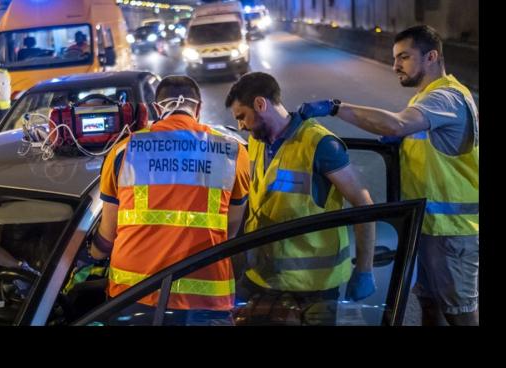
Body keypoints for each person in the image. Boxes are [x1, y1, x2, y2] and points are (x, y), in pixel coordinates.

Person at [299, 25, 479, 326]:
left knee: (460, 315)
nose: (395, 65)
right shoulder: (427, 98)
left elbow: (395, 124)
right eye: (395, 58)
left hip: (451, 234)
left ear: (431, 56)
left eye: (404, 57)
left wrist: (335, 108)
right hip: (430, 229)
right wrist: (405, 144)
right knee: (430, 305)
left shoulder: (445, 98)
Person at [88, 75, 250, 326]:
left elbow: (108, 235)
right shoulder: (233, 151)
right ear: (198, 108)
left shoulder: (123, 150)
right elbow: (230, 231)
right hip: (206, 297)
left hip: (134, 294)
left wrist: (92, 254)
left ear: (156, 108)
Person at [225, 72, 376, 326]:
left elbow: (364, 205)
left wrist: (364, 270)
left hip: (314, 288)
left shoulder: (320, 144)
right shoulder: (259, 143)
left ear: (261, 104)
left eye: (242, 116)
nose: (241, 125)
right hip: (264, 277)